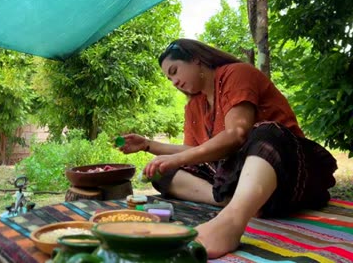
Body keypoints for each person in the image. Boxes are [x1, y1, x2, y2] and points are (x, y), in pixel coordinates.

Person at [118, 39, 337, 259]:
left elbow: (236, 134)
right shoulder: (195, 104)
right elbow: (196, 151)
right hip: (242, 181)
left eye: (175, 71)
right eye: (169, 78)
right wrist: (148, 145)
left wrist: (177, 158)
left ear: (196, 59)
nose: (174, 82)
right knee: (163, 174)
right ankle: (238, 201)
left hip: (287, 173)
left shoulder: (236, 73)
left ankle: (231, 221)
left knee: (266, 131)